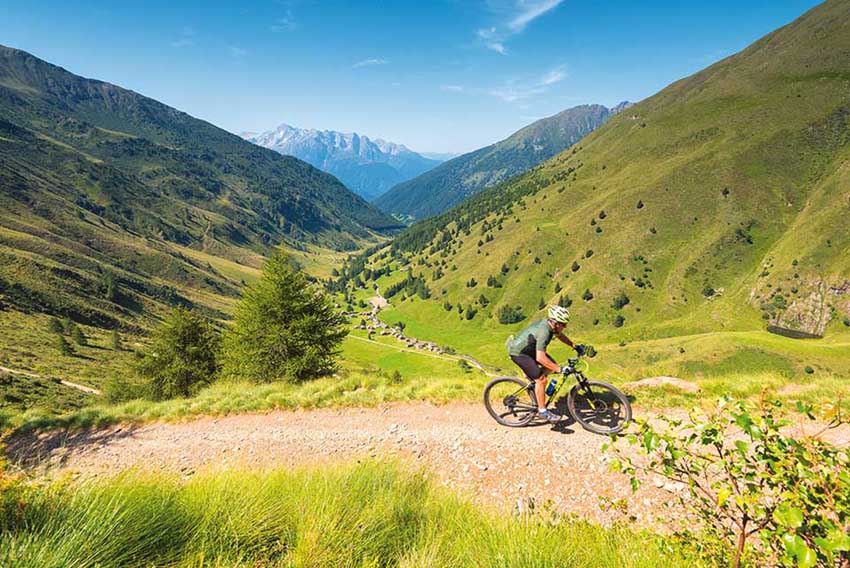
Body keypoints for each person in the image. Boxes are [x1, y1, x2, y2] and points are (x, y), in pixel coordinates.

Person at [506, 305, 589, 422]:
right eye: (563, 324)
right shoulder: (544, 332)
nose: (565, 327)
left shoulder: (552, 327)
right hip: (519, 353)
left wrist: (574, 346)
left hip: (529, 350)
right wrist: (560, 369)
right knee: (542, 380)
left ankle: (535, 384)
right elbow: (540, 358)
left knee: (551, 364)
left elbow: (560, 336)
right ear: (555, 323)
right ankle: (542, 411)